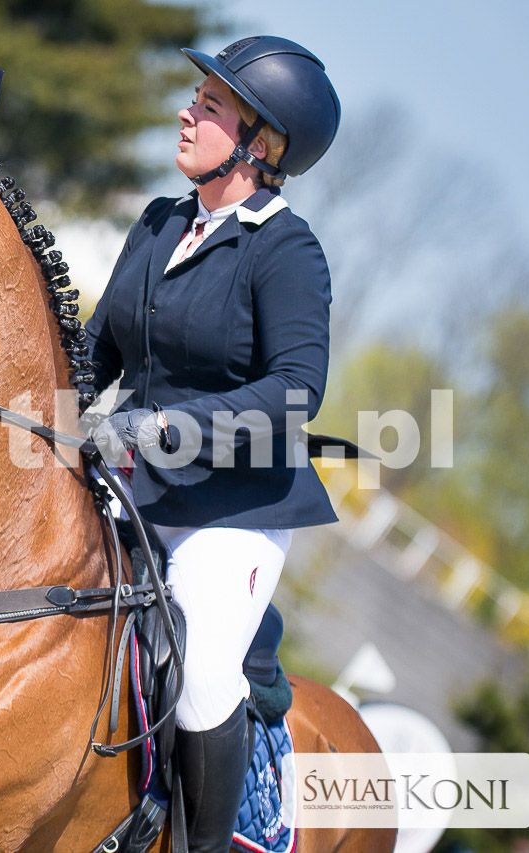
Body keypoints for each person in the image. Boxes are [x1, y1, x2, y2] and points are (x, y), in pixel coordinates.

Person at [84, 36, 342, 851]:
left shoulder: (286, 250)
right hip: (136, 487)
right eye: (196, 99)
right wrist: (40, 417)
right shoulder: (161, 223)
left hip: (233, 509)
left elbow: (296, 390)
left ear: (262, 144)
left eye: (211, 106)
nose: (186, 114)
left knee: (198, 676)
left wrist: (166, 428)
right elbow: (96, 353)